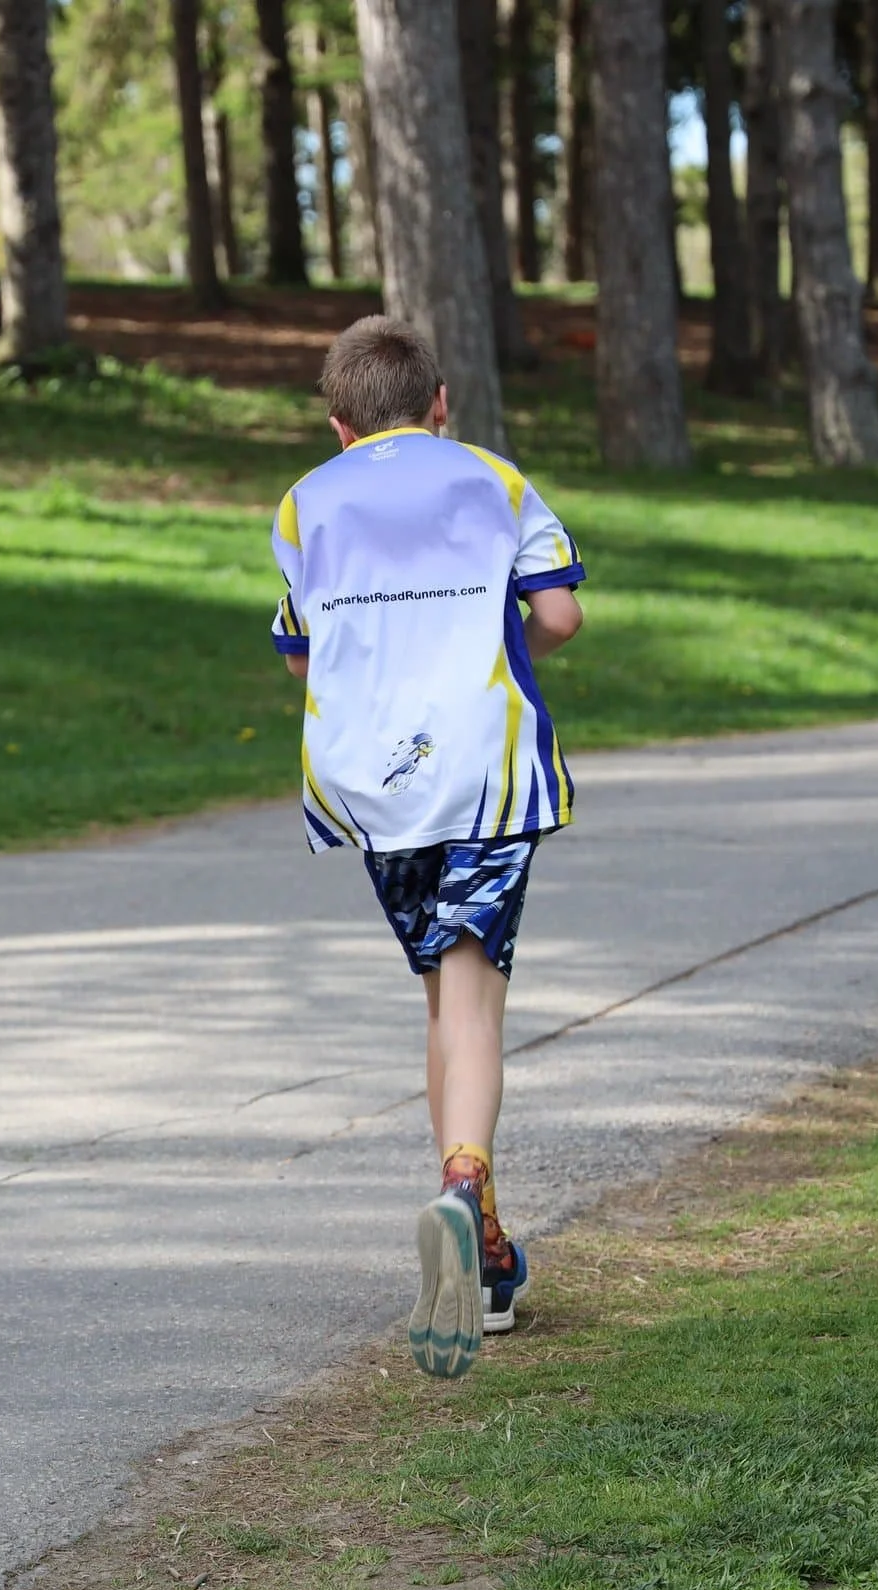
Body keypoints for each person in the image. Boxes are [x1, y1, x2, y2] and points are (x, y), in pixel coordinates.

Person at [266, 316, 585, 1380]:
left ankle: (486, 1253)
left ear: (339, 423)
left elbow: (303, 651)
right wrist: (510, 643)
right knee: (472, 990)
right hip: (482, 771)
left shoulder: (306, 500)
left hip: (373, 782)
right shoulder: (492, 477)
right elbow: (561, 614)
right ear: (440, 401)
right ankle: (462, 1187)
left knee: (439, 994)